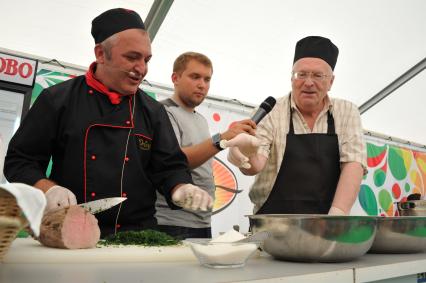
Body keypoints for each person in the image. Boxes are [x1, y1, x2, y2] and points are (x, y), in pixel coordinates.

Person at [3, 8, 212, 237]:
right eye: (132, 57)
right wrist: (47, 188)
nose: (141, 68)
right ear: (101, 54)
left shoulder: (152, 111)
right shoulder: (58, 99)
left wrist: (180, 186)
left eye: (146, 59)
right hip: (69, 231)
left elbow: (169, 166)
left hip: (137, 236)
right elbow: (20, 160)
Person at [225, 36, 367, 215]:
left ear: (331, 82)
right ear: (291, 78)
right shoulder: (271, 111)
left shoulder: (347, 112)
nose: (308, 82)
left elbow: (354, 163)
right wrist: (245, 153)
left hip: (327, 223)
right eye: (301, 74)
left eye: (318, 75)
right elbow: (255, 166)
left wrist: (337, 215)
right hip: (272, 222)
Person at [155, 52, 256, 239]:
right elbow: (173, 162)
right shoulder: (163, 112)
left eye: (207, 79)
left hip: (202, 221)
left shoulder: (200, 119)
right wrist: (222, 139)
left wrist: (234, 145)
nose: (202, 84)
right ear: (175, 78)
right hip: (171, 222)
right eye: (195, 77)